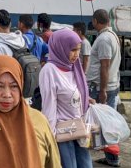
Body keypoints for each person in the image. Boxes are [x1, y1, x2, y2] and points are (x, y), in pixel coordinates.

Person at [40, 28, 92, 168]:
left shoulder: (74, 67)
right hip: (63, 133)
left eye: (79, 49)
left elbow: (77, 91)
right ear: (61, 47)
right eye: (73, 50)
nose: (77, 55)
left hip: (79, 128)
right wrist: (50, 138)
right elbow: (49, 106)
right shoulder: (49, 71)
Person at [86, 9, 121, 167]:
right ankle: (110, 157)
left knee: (105, 125)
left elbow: (104, 66)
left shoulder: (104, 39)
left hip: (101, 87)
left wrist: (102, 90)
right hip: (107, 85)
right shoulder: (111, 36)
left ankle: (112, 158)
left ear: (95, 21)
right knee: (106, 124)